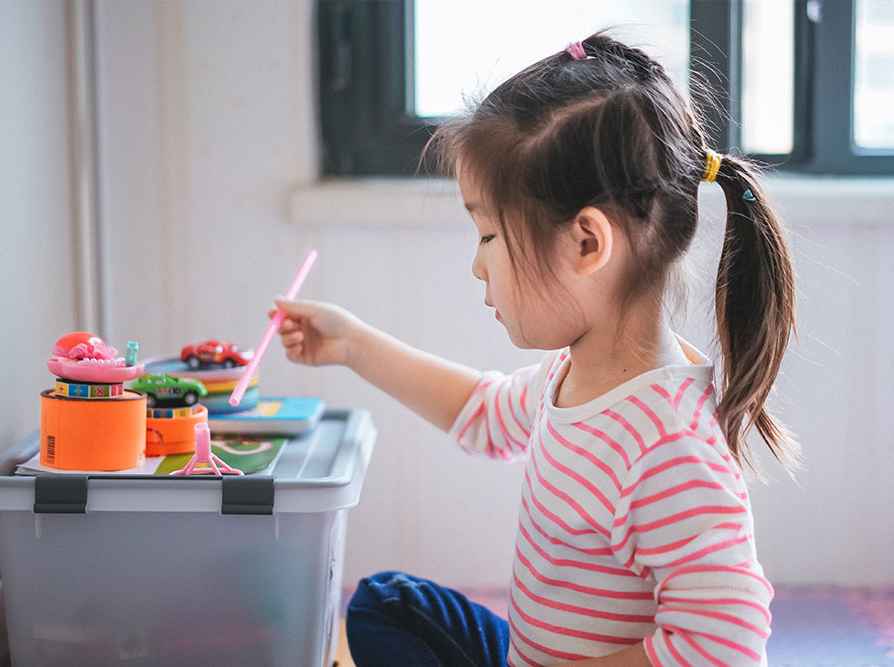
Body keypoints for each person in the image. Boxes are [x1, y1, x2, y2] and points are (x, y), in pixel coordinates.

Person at [274, 32, 797, 667]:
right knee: (388, 605)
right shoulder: (576, 374)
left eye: (490, 235)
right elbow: (485, 415)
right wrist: (354, 344)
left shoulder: (667, 448)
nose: (477, 266)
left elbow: (728, 644)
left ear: (586, 243)